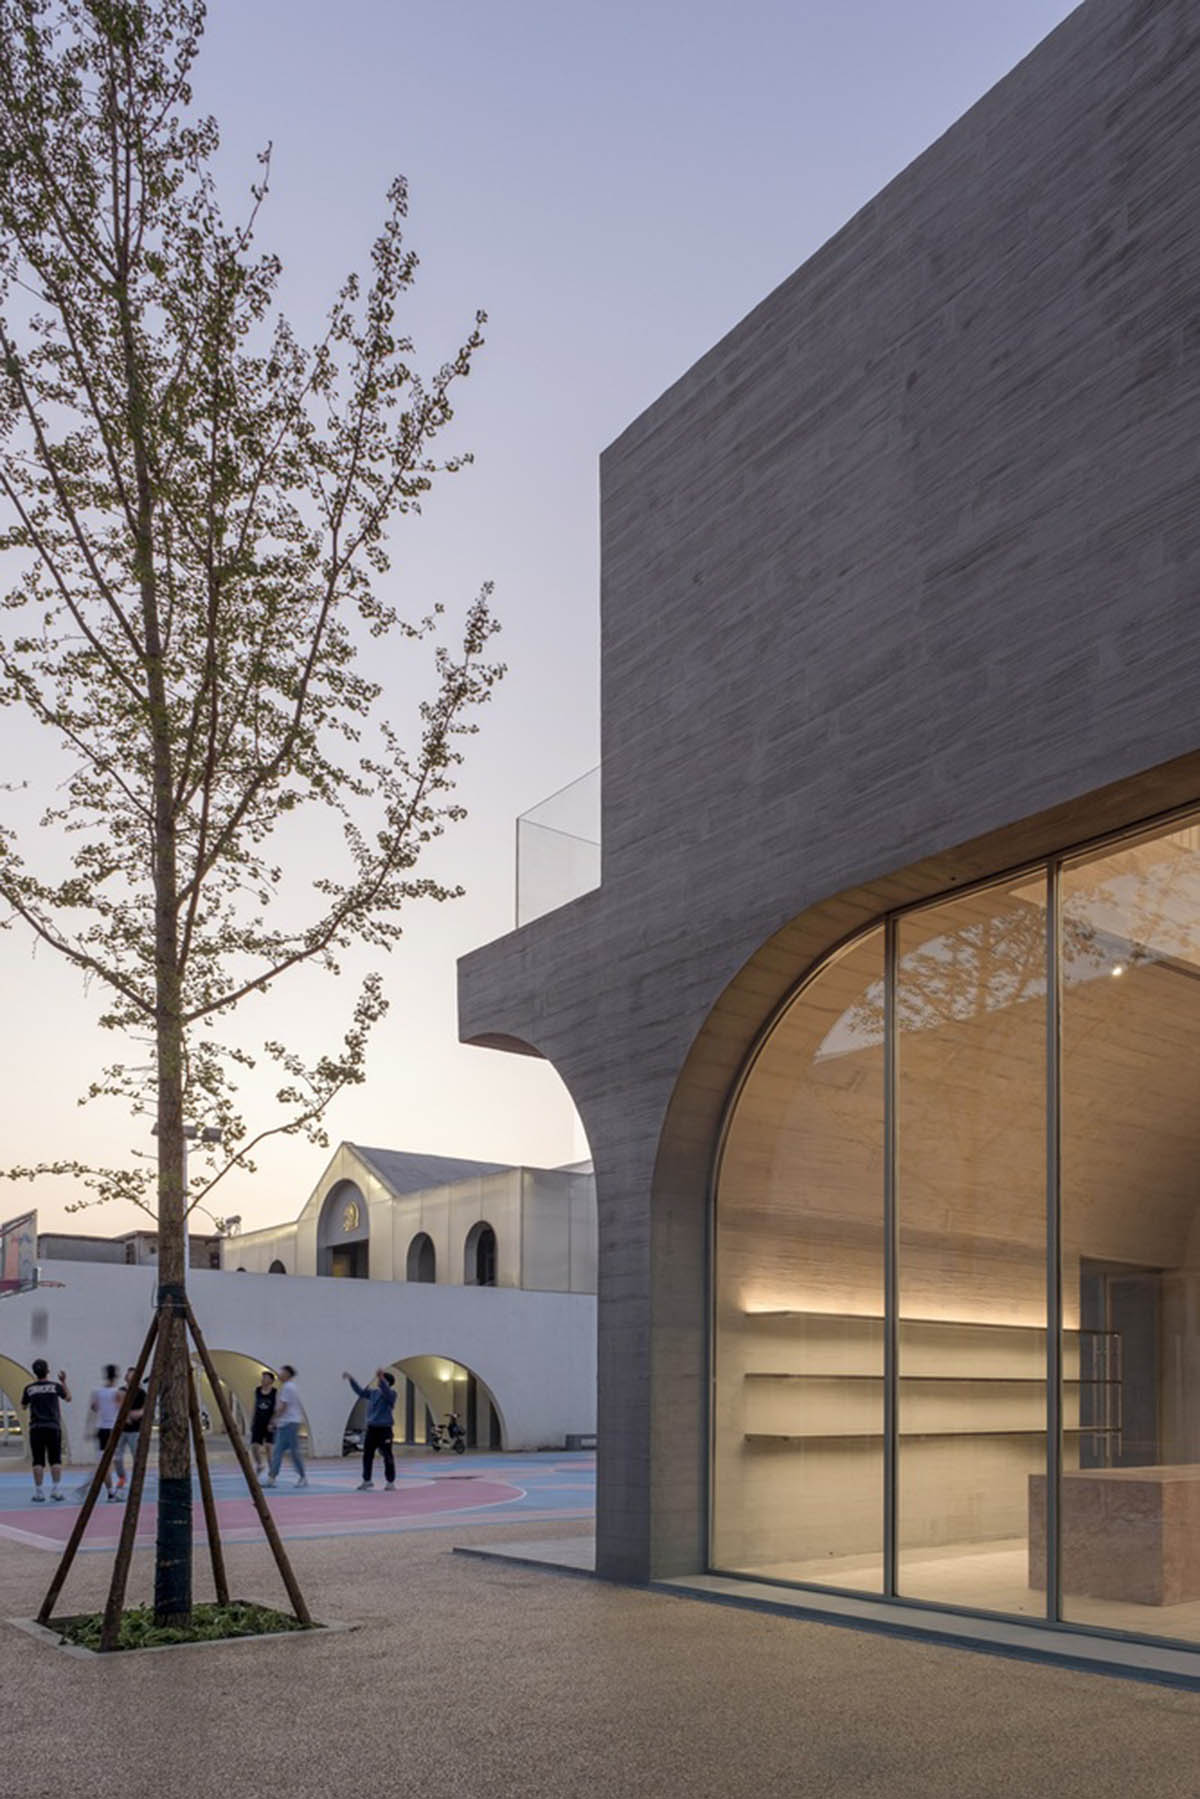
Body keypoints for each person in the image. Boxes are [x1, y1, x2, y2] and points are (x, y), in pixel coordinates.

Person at [20, 1359, 71, 1503]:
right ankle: (55, 1490)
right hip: (53, 1427)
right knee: (55, 1460)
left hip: (36, 1427)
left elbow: (23, 1406)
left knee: (38, 1461)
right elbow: (68, 1398)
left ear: (34, 1372)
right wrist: (63, 1382)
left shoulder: (29, 1388)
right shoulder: (54, 1387)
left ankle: (39, 1492)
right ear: (47, 1371)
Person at [342, 1368, 397, 1491]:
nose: (379, 1382)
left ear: (388, 1382)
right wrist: (351, 1380)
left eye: (383, 1380)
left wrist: (381, 1378)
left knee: (387, 1455)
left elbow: (386, 1392)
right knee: (367, 1455)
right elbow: (360, 1392)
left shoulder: (392, 1394)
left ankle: (390, 1481)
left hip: (385, 1429)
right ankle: (367, 1480)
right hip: (372, 1429)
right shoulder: (373, 1393)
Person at [264, 1364, 307, 1487]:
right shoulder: (289, 1387)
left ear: (287, 1374)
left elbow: (283, 1406)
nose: (279, 1375)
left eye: (281, 1372)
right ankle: (272, 1478)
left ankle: (302, 1477)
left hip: (289, 1424)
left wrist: (273, 1420)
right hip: (286, 1423)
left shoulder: (288, 1388)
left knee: (292, 1452)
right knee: (280, 1451)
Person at [87, 1364, 122, 1502]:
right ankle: (112, 1492)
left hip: (101, 1429)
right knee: (109, 1463)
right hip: (112, 1429)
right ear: (116, 1376)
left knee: (104, 1462)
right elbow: (121, 1410)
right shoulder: (117, 1392)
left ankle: (111, 1491)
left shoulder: (98, 1392)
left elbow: (94, 1408)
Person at [113, 1364, 146, 1491]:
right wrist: (126, 1415)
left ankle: (138, 1481)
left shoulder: (142, 1393)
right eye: (129, 1375)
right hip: (121, 1430)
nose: (130, 1378)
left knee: (137, 1456)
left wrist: (134, 1414)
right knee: (117, 1456)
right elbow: (117, 1406)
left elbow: (144, 1410)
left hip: (136, 1430)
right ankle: (122, 1478)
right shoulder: (121, 1391)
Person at [249, 1369, 277, 1475]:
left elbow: (277, 1408)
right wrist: (252, 1420)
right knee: (254, 1446)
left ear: (271, 1380)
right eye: (262, 1377)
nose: (263, 1380)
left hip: (269, 1423)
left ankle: (272, 1471)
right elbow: (255, 1406)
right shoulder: (257, 1390)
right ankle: (260, 1464)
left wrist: (273, 1421)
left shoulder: (275, 1392)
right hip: (258, 1422)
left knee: (269, 1448)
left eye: (265, 1378)